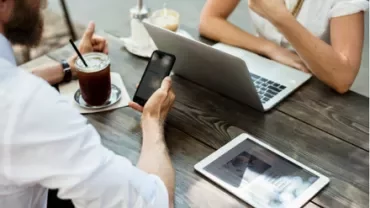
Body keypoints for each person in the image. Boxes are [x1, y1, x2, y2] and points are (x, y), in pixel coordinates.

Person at [0, 0, 176, 208]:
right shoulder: (26, 106)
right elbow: (154, 203)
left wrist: (68, 67)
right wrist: (152, 120)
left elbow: (9, 79)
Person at [199, 0, 369, 94]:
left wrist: (279, 17)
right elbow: (209, 21)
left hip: (315, 83)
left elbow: (342, 78)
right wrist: (270, 48)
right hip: (264, 68)